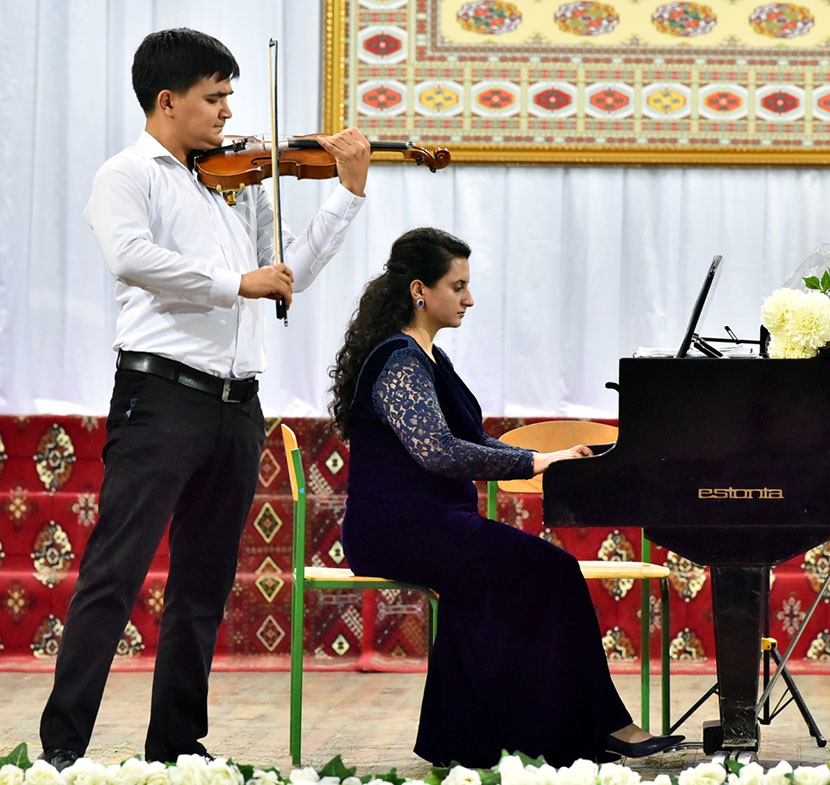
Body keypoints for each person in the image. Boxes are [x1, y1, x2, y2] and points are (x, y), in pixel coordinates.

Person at [38, 27, 371, 770]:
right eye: (214, 97)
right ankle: (61, 749)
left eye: (230, 97)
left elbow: (281, 274)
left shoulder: (230, 185)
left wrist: (346, 196)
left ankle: (178, 747)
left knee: (203, 587)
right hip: (160, 396)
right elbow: (132, 258)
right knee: (114, 574)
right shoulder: (128, 174)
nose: (227, 112)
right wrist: (235, 284)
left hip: (235, 406)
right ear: (167, 101)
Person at [328, 227, 685, 768]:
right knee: (554, 571)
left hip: (432, 522)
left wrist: (556, 457)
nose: (470, 299)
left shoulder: (429, 357)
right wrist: (535, 461)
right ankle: (606, 727)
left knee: (496, 590)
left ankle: (471, 741)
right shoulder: (399, 359)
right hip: (397, 528)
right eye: (459, 286)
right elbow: (439, 453)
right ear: (419, 290)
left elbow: (469, 441)